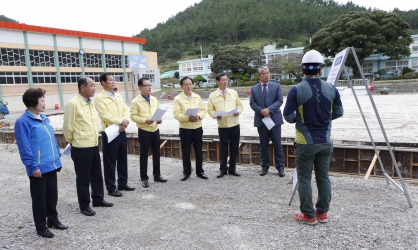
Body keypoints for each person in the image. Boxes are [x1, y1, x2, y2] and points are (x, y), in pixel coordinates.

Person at [283, 50, 343, 225]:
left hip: (305, 142)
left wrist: (300, 119)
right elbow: (339, 112)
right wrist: (324, 119)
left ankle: (309, 215)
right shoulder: (331, 88)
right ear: (321, 69)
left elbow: (287, 116)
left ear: (303, 69)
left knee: (304, 178)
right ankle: (322, 213)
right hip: (325, 140)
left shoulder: (296, 90)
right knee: (323, 177)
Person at [15, 88, 68, 238]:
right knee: (39, 198)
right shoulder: (23, 122)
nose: (45, 103)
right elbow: (24, 147)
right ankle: (41, 226)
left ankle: (53, 220)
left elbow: (52, 140)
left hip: (51, 164)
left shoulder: (44, 118)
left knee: (52, 196)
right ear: (33, 102)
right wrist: (32, 166)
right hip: (38, 167)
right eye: (42, 100)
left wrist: (57, 157)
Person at [63, 77, 113, 216]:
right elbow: (68, 126)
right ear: (82, 87)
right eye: (91, 85)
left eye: (94, 86)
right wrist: (72, 141)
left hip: (93, 144)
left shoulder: (90, 103)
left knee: (97, 175)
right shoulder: (73, 104)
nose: (94, 88)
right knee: (83, 177)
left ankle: (98, 199)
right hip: (80, 146)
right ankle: (84, 205)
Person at [95, 73, 135, 197]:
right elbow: (104, 115)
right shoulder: (100, 98)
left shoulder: (118, 96)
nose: (113, 82)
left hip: (121, 130)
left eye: (114, 80)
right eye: (110, 80)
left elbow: (125, 110)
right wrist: (120, 121)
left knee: (122, 158)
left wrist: (125, 121)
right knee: (110, 161)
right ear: (103, 82)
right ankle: (111, 187)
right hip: (110, 131)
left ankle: (122, 183)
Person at [130, 77, 167, 188]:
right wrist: (145, 121)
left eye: (150, 85)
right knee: (144, 154)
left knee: (157, 152)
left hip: (155, 129)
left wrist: (159, 119)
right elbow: (133, 116)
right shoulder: (135, 101)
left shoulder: (154, 99)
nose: (149, 87)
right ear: (140, 87)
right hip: (144, 130)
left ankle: (157, 175)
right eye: (146, 85)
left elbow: (158, 112)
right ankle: (144, 178)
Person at [249, 66, 286, 177]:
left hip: (274, 119)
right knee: (263, 144)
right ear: (259, 76)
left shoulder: (276, 86)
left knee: (277, 144)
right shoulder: (254, 89)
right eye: (264, 73)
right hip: (261, 120)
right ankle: (265, 166)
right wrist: (262, 111)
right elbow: (252, 103)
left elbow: (280, 100)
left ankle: (280, 167)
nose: (267, 75)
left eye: (268, 73)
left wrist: (269, 109)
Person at [207, 73, 243, 178]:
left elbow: (240, 106)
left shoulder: (233, 93)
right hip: (222, 126)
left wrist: (238, 112)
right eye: (223, 80)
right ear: (218, 82)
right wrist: (215, 116)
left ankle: (232, 168)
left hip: (234, 124)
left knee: (234, 148)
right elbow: (210, 110)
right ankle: (223, 169)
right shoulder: (213, 95)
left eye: (226, 80)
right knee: (223, 149)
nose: (225, 82)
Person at [173, 76, 207, 181]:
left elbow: (203, 110)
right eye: (186, 84)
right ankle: (186, 172)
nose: (189, 86)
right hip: (185, 129)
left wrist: (199, 116)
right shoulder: (178, 99)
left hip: (197, 127)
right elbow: (176, 114)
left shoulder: (197, 97)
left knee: (199, 150)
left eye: (190, 84)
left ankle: (200, 171)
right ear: (182, 86)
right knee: (186, 151)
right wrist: (188, 118)